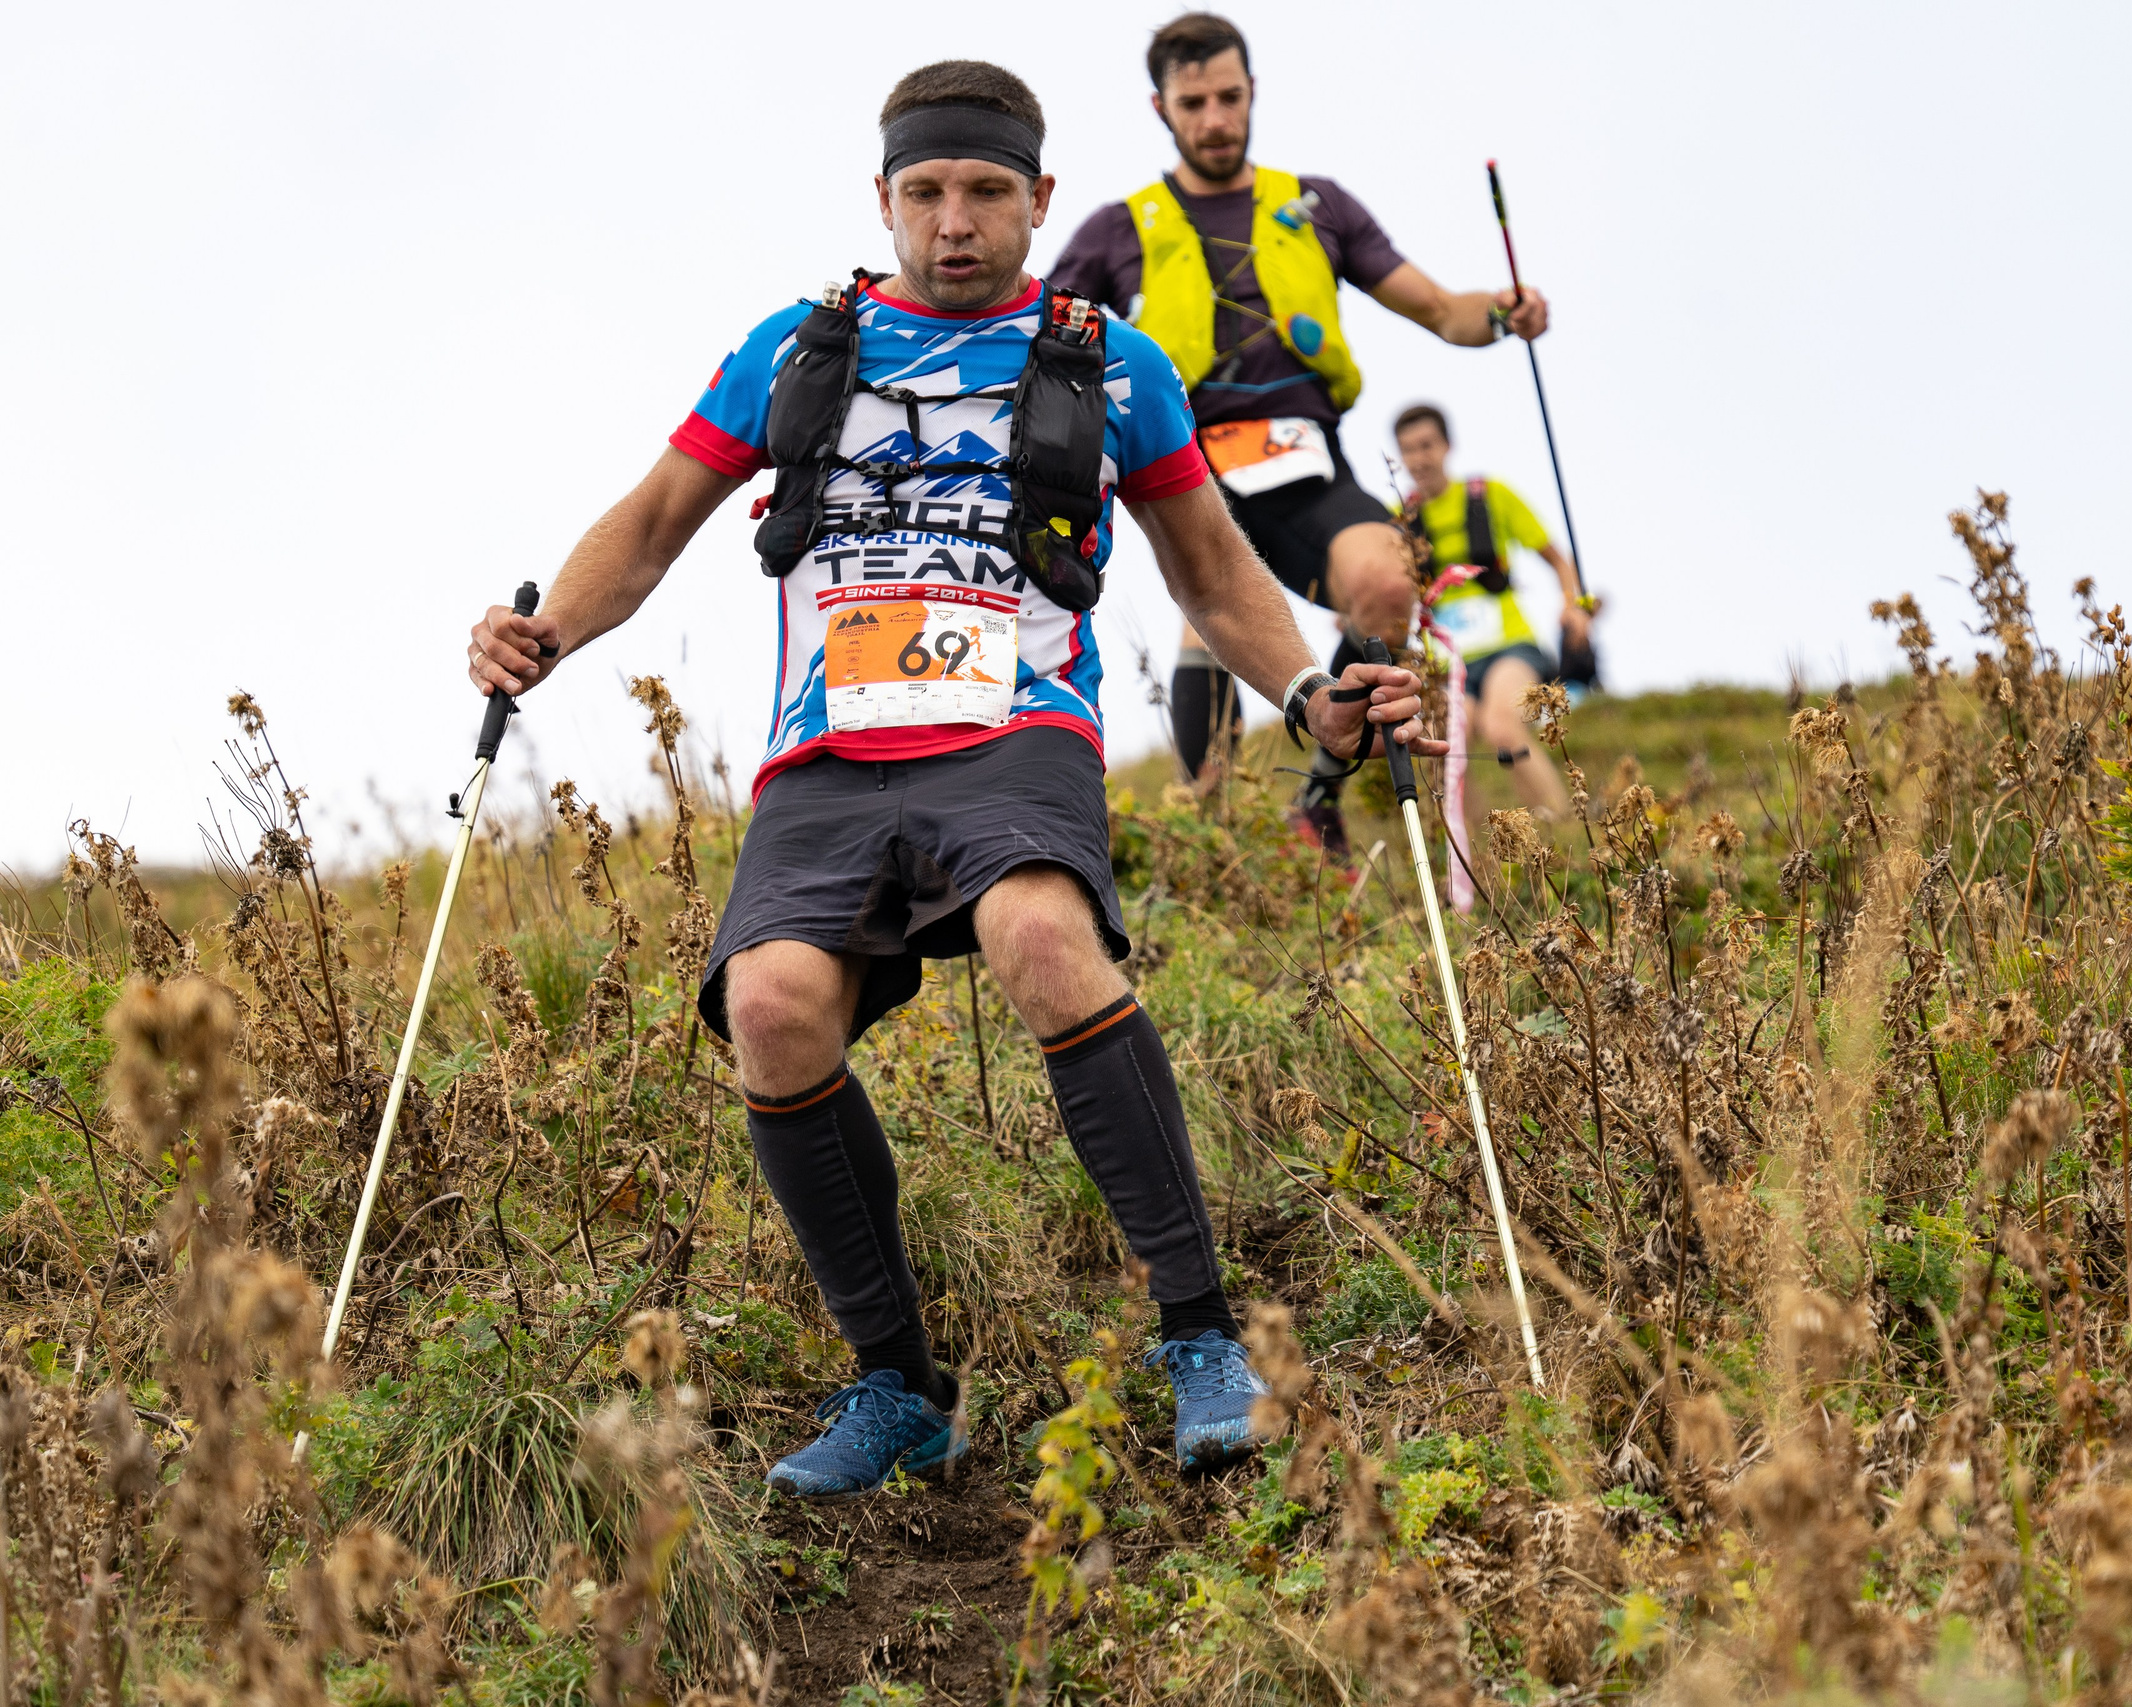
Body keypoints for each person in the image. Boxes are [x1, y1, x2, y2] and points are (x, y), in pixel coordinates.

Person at [464, 60, 1441, 1495]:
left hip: (1013, 728)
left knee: (1042, 937)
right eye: (925, 192)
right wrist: (547, 633)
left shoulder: (1113, 363)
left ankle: (1201, 1338)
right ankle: (899, 1383)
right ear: (884, 199)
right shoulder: (798, 353)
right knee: (772, 1007)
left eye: (987, 190)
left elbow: (1215, 574)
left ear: (1042, 200)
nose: (956, 220)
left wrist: (1307, 693)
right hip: (828, 751)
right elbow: (660, 516)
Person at [1048, 11, 1549, 852]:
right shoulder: (1117, 229)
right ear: (1160, 107)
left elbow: (1438, 309)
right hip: (1190, 460)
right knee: (1205, 618)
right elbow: (1040, 335)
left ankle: (1317, 796)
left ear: (1253, 93)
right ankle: (1216, 835)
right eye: (1195, 101)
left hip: (1310, 459)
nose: (1215, 119)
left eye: (1230, 97)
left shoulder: (1317, 205)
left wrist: (1504, 313)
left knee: (1390, 583)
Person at [1391, 403, 1593, 821]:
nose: (1418, 459)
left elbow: (1558, 559)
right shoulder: (1398, 521)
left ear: (1447, 446)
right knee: (1447, 740)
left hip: (1508, 647)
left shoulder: (1491, 495)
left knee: (1502, 725)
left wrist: (1572, 607)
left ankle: (1562, 825)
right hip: (1447, 663)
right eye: (1408, 449)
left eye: (1427, 445)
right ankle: (1479, 858)